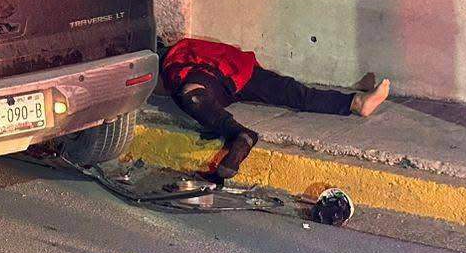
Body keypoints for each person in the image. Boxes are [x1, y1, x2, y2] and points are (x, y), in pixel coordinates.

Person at [161, 37, 390, 180]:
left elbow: (186, 76)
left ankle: (239, 133)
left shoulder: (175, 58)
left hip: (211, 73)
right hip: (238, 71)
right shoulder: (182, 54)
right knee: (293, 92)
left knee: (192, 95)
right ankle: (356, 103)